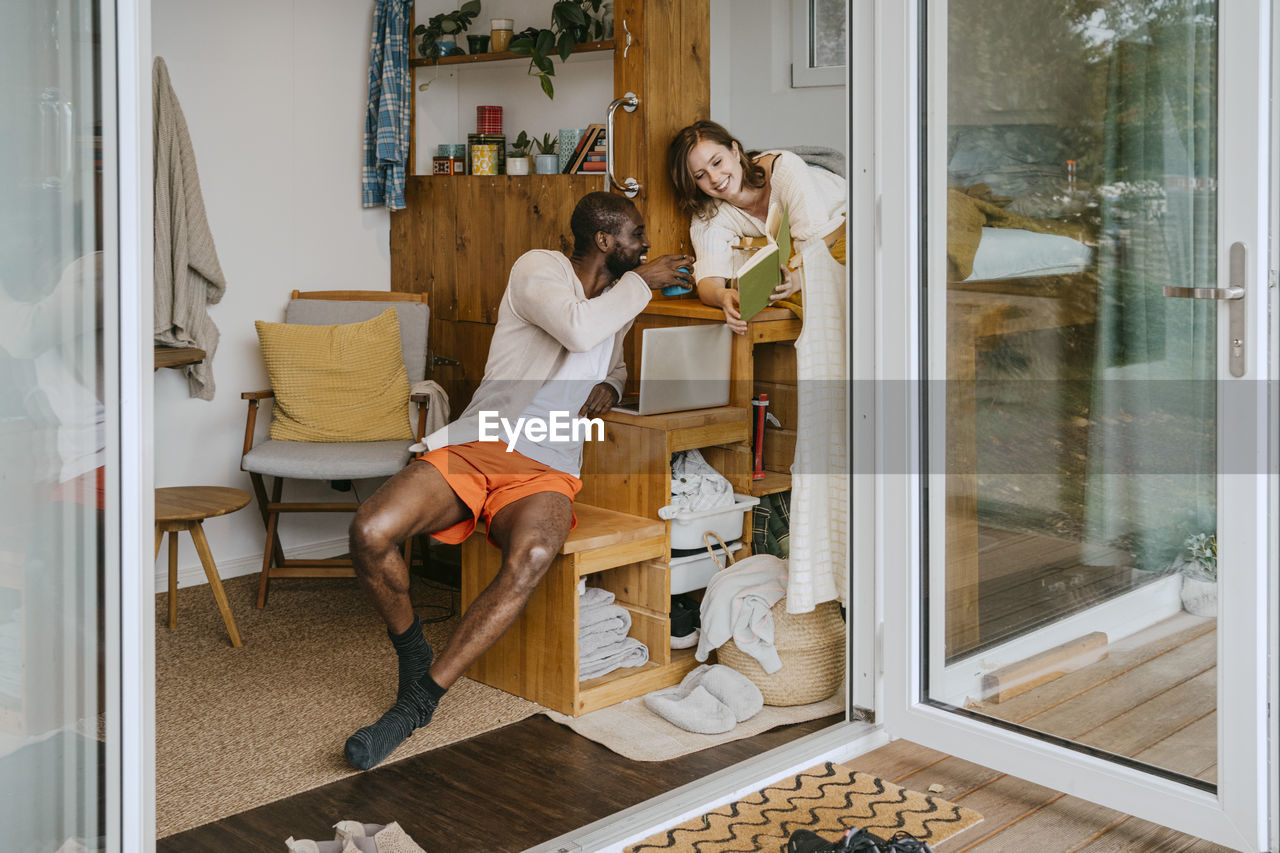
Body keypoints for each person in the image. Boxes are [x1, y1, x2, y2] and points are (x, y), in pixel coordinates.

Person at [343, 191, 693, 770]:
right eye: (636, 233)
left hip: (550, 463)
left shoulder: (616, 298)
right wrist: (646, 282)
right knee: (370, 530)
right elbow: (580, 330)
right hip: (484, 443)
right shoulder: (537, 269)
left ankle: (418, 702)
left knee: (530, 557)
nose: (646, 244)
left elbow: (610, 357)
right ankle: (412, 651)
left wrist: (614, 386)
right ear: (605, 241)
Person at [666, 120, 846, 334]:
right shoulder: (709, 212)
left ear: (734, 151)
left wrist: (796, 280)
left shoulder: (785, 170)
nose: (714, 178)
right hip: (799, 253)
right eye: (700, 175)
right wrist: (723, 297)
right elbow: (708, 279)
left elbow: (815, 249)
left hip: (843, 224)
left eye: (717, 162)